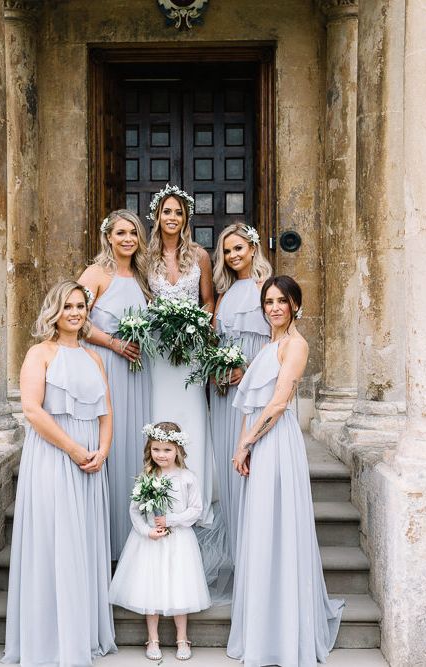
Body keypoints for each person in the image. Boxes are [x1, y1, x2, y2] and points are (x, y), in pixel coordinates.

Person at [228, 275, 344, 666]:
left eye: (282, 301)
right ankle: (263, 625)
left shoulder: (296, 345)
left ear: (295, 304)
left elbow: (277, 404)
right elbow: (251, 404)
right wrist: (241, 446)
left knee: (278, 528)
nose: (274, 307)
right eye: (269, 301)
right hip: (257, 443)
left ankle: (285, 630)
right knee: (260, 531)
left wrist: (249, 442)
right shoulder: (267, 345)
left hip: (276, 444)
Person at [2, 280, 117, 667]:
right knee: (55, 540)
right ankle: (52, 638)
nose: (75, 312)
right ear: (55, 310)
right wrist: (72, 448)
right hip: (54, 455)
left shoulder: (94, 358)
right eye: (68, 305)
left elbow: (106, 412)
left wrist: (102, 450)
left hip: (91, 461)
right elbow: (33, 411)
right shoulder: (40, 353)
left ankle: (81, 633)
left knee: (83, 541)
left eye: (81, 306)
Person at [78, 209, 153, 560]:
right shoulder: (96, 274)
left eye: (133, 234)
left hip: (137, 371)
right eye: (121, 233)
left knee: (131, 442)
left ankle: (131, 538)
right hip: (105, 365)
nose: (127, 239)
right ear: (108, 236)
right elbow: (76, 320)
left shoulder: (140, 277)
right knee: (110, 442)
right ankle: (104, 541)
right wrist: (114, 344)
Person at [109, 421, 211, 662]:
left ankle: (182, 638)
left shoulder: (187, 477)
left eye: (167, 450)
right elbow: (135, 510)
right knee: (150, 587)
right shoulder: (147, 476)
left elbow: (196, 509)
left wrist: (171, 520)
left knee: (180, 587)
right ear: (149, 450)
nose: (161, 455)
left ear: (178, 450)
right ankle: (152, 638)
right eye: (156, 449)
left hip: (179, 541)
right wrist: (147, 531)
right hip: (150, 542)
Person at [146, 184, 215, 527]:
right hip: (158, 351)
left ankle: (193, 499)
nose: (172, 217)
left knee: (191, 415)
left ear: (185, 219)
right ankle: (158, 494)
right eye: (166, 212)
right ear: (157, 217)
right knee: (160, 411)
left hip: (190, 353)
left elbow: (209, 300)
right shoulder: (146, 258)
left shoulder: (200, 256)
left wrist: (199, 326)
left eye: (178, 212)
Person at [209, 222, 272, 560]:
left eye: (238, 248)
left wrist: (245, 371)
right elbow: (216, 343)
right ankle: (236, 549)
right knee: (228, 464)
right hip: (225, 394)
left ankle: (256, 550)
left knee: (251, 463)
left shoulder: (266, 288)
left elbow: (277, 345)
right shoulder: (224, 295)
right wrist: (217, 372)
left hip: (255, 391)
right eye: (227, 251)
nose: (233, 255)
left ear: (253, 249)